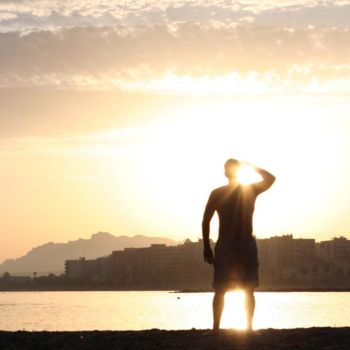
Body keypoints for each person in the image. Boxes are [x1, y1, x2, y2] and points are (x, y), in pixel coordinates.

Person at [202, 159, 276, 331]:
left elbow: (271, 179)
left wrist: (252, 166)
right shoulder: (218, 193)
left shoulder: (250, 189)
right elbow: (206, 220)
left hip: (246, 243)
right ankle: (216, 328)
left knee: (249, 288)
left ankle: (249, 327)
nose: (230, 171)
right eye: (228, 168)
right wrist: (206, 246)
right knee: (220, 288)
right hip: (226, 244)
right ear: (225, 173)